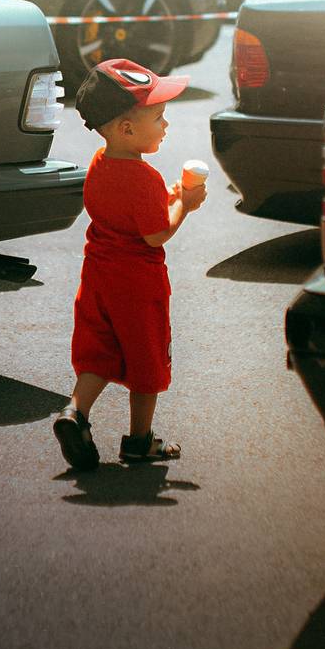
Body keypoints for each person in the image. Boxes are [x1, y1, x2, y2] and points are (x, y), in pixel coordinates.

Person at [53, 58, 207, 471]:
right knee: (146, 357)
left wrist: (167, 199)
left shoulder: (99, 164)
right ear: (126, 128)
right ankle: (140, 440)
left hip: (98, 275)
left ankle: (75, 412)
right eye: (158, 117)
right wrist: (185, 204)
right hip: (138, 283)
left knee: (98, 351)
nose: (166, 124)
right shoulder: (145, 178)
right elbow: (155, 234)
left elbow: (124, 213)